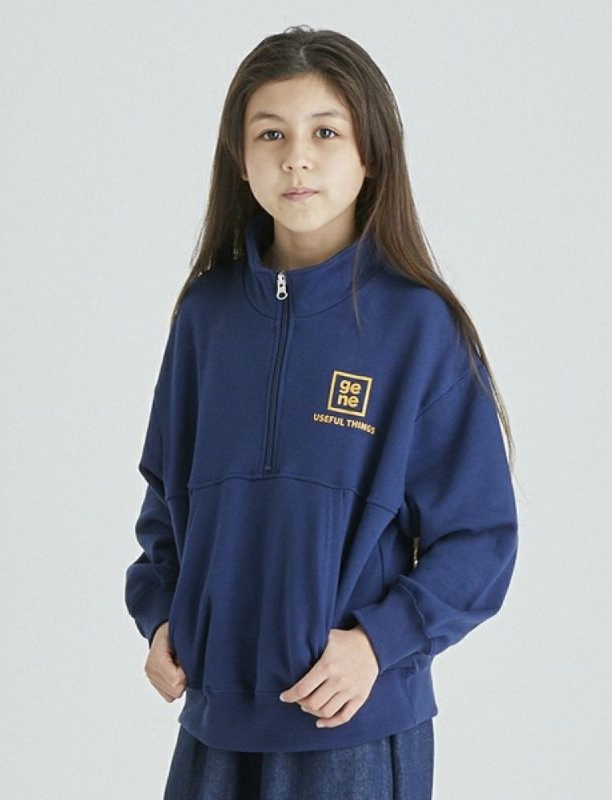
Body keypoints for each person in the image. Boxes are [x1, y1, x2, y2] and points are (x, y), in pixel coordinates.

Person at [124, 24, 519, 800]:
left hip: (352, 728)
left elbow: (479, 538)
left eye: (325, 132)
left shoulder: (417, 327)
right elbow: (166, 507)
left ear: (371, 154)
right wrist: (162, 617)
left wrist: (377, 644)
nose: (296, 157)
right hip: (213, 725)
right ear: (241, 158)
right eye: (270, 133)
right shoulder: (205, 318)